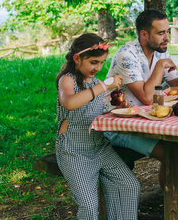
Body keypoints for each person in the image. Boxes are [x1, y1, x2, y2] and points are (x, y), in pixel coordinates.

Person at [106, 10, 178, 220]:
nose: (166, 37)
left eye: (167, 31)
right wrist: (159, 66)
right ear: (144, 35)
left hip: (148, 120)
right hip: (120, 124)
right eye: (160, 33)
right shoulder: (126, 56)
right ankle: (175, 204)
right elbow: (148, 98)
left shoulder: (161, 52)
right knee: (173, 152)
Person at [55, 33, 140, 220]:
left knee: (129, 186)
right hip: (74, 152)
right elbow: (69, 102)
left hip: (100, 148)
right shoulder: (67, 80)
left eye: (102, 63)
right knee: (89, 206)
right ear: (77, 58)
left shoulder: (95, 83)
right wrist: (104, 86)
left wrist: (119, 107)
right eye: (94, 62)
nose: (98, 67)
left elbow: (95, 112)